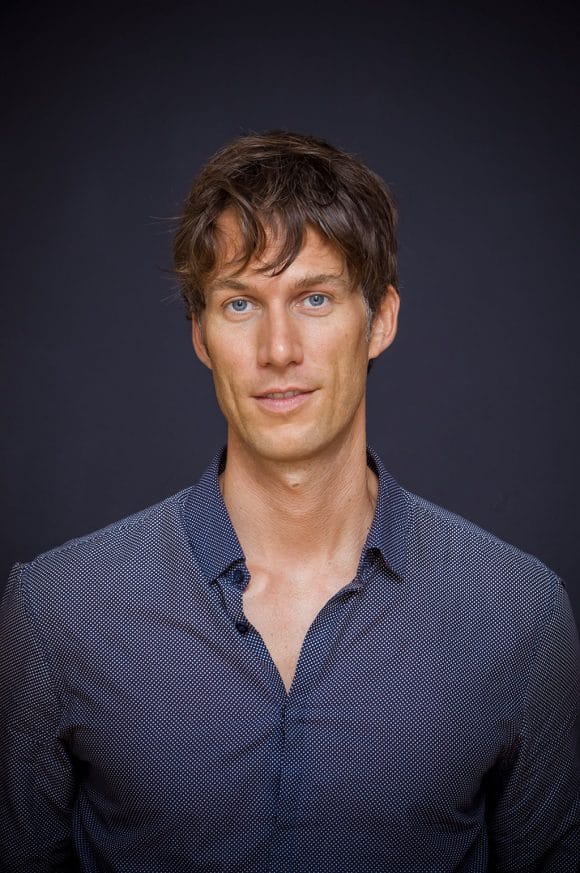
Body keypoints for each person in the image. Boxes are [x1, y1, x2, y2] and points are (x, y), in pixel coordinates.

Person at [0, 131, 577, 872]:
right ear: (202, 336)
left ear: (381, 319)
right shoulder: (58, 612)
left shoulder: (519, 618)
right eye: (241, 302)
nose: (278, 349)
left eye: (315, 298)